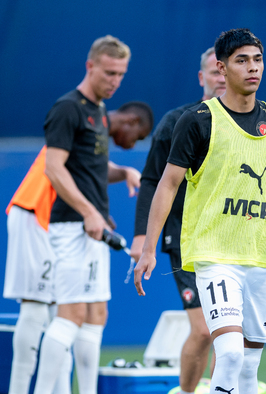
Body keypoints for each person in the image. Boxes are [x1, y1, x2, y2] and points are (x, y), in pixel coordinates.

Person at [133, 28, 266, 394]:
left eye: (258, 60)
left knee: (249, 366)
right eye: (242, 60)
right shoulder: (196, 120)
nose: (253, 68)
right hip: (215, 254)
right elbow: (165, 183)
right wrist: (149, 245)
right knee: (229, 353)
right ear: (222, 67)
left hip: (264, 255)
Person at [4, 100, 152, 394]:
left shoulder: (95, 131)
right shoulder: (83, 122)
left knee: (62, 315)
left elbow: (88, 173)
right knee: (37, 311)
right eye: (137, 136)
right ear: (131, 121)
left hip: (53, 221)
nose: (132, 144)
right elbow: (60, 168)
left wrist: (112, 186)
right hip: (36, 214)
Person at [31, 35, 142, 394]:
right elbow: (55, 168)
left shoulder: (98, 111)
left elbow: (91, 166)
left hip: (93, 230)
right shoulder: (68, 108)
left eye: (121, 74)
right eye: (109, 72)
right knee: (71, 315)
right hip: (71, 227)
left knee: (97, 315)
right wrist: (89, 212)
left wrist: (123, 171)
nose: (115, 81)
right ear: (90, 66)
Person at [129, 47, 225, 394]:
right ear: (202, 78)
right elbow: (153, 180)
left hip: (233, 240)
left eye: (225, 70)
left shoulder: (256, 121)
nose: (221, 78)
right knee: (203, 331)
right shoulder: (179, 120)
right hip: (185, 238)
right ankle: (186, 392)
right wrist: (142, 237)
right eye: (214, 72)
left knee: (231, 334)